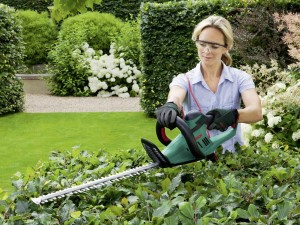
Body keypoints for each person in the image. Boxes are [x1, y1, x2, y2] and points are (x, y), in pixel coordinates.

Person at [156, 15, 262, 153]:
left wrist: (233, 116)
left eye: (214, 46)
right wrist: (171, 105)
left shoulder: (240, 78)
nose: (206, 50)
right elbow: (176, 96)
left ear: (226, 47)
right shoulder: (184, 80)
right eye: (202, 44)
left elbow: (256, 112)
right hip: (196, 158)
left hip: (233, 159)